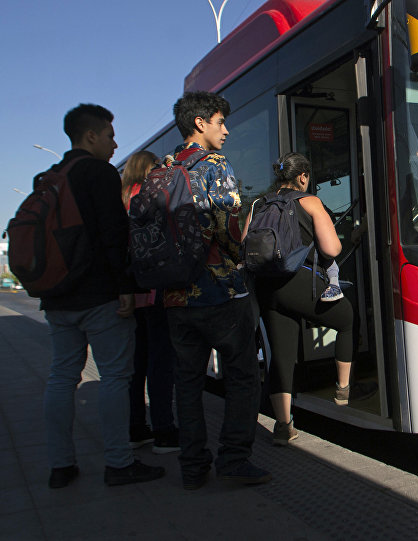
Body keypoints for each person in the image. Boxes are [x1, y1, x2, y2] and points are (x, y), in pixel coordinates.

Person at [39, 104, 165, 489]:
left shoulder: (48, 177)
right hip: (98, 294)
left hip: (58, 296)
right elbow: (115, 237)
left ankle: (61, 465)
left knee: (61, 377)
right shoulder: (99, 173)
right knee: (115, 376)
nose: (115, 143)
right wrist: (126, 288)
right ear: (90, 135)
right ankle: (119, 462)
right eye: (110, 135)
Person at [164, 90, 269, 489]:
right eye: (220, 121)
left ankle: (192, 466)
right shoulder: (213, 165)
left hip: (175, 296)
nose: (226, 129)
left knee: (187, 383)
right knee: (243, 376)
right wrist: (240, 253)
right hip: (218, 291)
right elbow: (228, 227)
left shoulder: (165, 167)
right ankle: (234, 458)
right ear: (200, 123)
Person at [249, 152, 376, 446]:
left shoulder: (259, 204)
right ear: (303, 177)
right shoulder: (310, 201)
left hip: (267, 288)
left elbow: (246, 246)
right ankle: (344, 389)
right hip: (300, 283)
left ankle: (283, 425)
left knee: (281, 358)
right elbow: (331, 249)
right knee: (347, 319)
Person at [120, 150, 179, 454]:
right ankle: (164, 431)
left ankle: (135, 428)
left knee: (136, 364)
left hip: (130, 293)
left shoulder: (121, 198)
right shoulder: (148, 196)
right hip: (155, 291)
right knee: (161, 363)